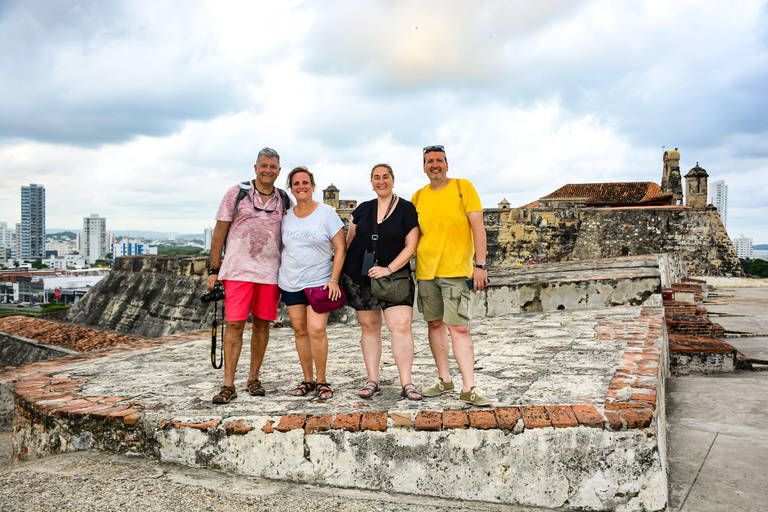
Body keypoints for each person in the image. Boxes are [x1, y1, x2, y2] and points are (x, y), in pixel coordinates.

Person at [207, 147, 292, 404]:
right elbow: (219, 232)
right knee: (234, 325)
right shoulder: (237, 193)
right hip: (237, 271)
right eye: (264, 166)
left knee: (262, 325)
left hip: (269, 273)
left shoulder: (284, 199)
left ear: (279, 171)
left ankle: (253, 378)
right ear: (255, 168)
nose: (268, 170)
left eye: (273, 167)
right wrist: (214, 271)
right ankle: (228, 384)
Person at [411, 145, 492, 406]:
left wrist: (480, 266)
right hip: (426, 272)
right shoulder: (418, 196)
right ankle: (444, 379)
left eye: (439, 160)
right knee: (434, 325)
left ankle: (469, 387)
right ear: (423, 167)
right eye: (429, 161)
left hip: (456, 271)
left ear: (447, 164)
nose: (434, 165)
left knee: (459, 328)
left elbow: (478, 227)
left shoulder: (462, 187)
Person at [341, 163, 422, 401]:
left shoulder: (406, 208)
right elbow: (349, 242)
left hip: (394, 277)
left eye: (385, 176)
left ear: (393, 179)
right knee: (369, 327)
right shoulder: (363, 209)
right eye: (376, 177)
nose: (381, 181)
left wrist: (388, 269)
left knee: (401, 326)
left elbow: (411, 245)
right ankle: (372, 379)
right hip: (361, 276)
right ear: (371, 182)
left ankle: (407, 382)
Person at [278, 167, 346, 399]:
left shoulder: (327, 212)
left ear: (313, 186)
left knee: (316, 329)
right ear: (291, 188)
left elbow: (340, 247)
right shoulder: (285, 216)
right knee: (299, 330)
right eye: (296, 183)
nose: (301, 187)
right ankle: (307, 379)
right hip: (291, 280)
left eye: (305, 182)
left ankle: (322, 380)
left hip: (319, 280)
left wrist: (334, 279)